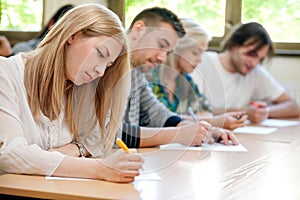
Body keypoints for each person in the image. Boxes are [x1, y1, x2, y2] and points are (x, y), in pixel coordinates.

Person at [0, 4, 144, 183]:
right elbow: (8, 155)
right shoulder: (5, 73)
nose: (100, 71)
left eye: (108, 66)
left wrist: (73, 149)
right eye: (100, 53)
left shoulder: (80, 85)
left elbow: (99, 135)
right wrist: (101, 168)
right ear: (73, 34)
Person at [122, 7, 238, 148]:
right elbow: (107, 133)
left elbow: (156, 112)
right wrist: (178, 134)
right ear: (138, 30)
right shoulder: (107, 66)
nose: (162, 58)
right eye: (161, 45)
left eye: (168, 52)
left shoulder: (136, 71)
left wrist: (202, 130)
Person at [146, 18, 247, 130]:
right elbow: (160, 118)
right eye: (195, 53)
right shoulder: (149, 76)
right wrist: (216, 121)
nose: (200, 60)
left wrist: (216, 120)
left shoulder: (185, 81)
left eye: (201, 54)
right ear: (177, 48)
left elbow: (204, 111)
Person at [190, 22, 299, 123]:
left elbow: (293, 107)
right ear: (233, 45)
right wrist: (243, 111)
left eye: (260, 59)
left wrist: (266, 112)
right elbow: (191, 111)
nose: (255, 63)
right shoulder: (202, 62)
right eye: (251, 54)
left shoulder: (255, 72)